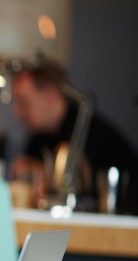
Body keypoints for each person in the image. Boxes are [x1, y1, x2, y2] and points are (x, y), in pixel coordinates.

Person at [9, 57, 138, 213]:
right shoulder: (38, 137)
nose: (17, 112)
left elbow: (81, 183)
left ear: (50, 95)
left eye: (24, 102)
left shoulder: (89, 131)